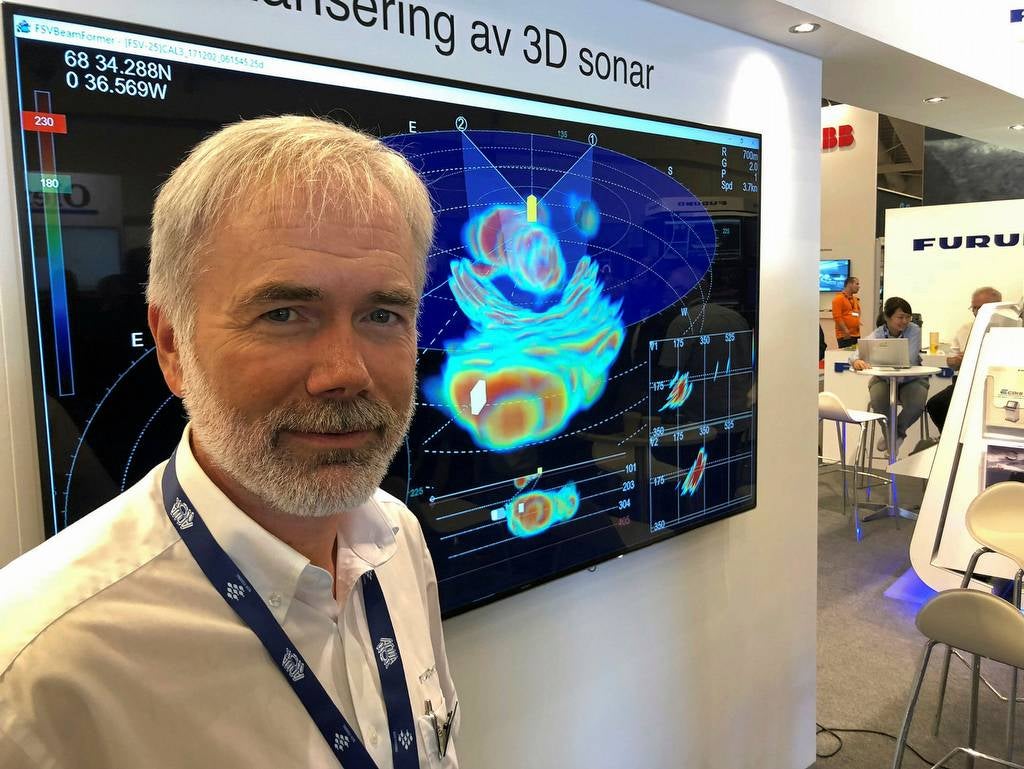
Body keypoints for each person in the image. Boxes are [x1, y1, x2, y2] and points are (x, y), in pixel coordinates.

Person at [0, 116, 460, 768]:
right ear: (171, 346)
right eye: (283, 314)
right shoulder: (36, 667)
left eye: (382, 314)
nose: (346, 372)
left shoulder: (397, 538)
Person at [851, 296, 928, 455]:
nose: (904, 321)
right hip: (883, 379)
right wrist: (857, 361)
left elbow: (909, 359)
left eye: (908, 317)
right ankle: (892, 438)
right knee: (879, 402)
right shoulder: (878, 333)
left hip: (911, 379)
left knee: (916, 404)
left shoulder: (914, 330)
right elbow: (856, 354)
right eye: (900, 317)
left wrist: (881, 359)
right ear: (887, 317)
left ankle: (893, 435)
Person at [925, 286, 1002, 431]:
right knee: (936, 405)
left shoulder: (1009, 329)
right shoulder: (965, 329)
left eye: (981, 308)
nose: (976, 312)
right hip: (965, 382)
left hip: (995, 383)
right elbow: (951, 362)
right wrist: (954, 361)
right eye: (974, 308)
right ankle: (949, 439)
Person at [831, 276, 861, 348]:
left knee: (856, 354)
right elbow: (837, 317)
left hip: (856, 334)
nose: (858, 286)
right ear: (849, 284)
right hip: (845, 335)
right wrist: (845, 331)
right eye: (857, 284)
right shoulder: (838, 298)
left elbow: (856, 312)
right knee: (846, 354)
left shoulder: (855, 299)